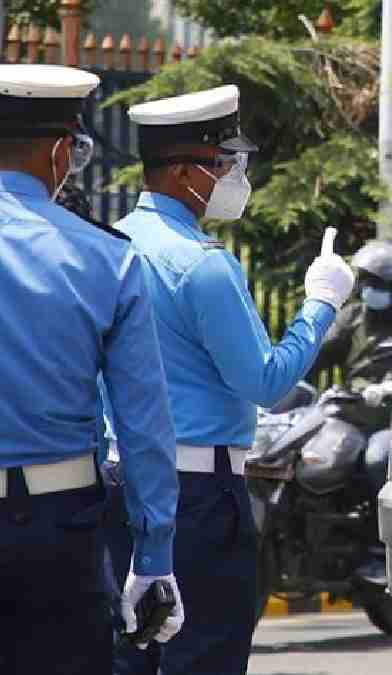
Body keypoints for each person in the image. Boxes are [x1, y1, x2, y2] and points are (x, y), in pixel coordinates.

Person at [104, 84, 355, 675]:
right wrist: (321, 304)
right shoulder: (202, 264)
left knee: (127, 656)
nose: (235, 177)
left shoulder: (107, 244)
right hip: (198, 495)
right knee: (205, 654)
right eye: (225, 164)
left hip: (118, 484)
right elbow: (265, 380)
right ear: (186, 172)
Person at [0, 64, 182, 674]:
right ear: (60, 152)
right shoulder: (105, 258)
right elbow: (144, 424)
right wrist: (153, 555)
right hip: (60, 526)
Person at [308, 238, 392, 402]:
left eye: (380, 283)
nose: (371, 287)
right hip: (349, 406)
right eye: (368, 280)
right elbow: (318, 353)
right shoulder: (352, 316)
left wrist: (388, 386)